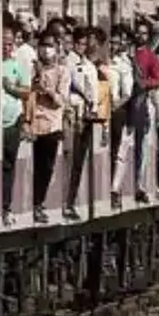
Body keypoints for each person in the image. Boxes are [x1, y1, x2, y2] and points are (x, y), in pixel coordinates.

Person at [27, 32, 70, 223]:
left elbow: (62, 100)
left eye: (50, 45)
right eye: (43, 45)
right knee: (33, 166)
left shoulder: (62, 71)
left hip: (52, 125)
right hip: (33, 122)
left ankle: (39, 203)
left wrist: (48, 90)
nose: (46, 49)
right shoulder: (32, 67)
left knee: (46, 167)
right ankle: (32, 203)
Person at [63, 26, 99, 220]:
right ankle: (67, 202)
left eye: (85, 44)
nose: (82, 47)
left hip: (87, 117)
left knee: (79, 163)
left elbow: (94, 90)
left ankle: (72, 200)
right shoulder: (68, 62)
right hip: (73, 116)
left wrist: (93, 110)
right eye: (79, 43)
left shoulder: (89, 65)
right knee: (71, 161)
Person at [0, 22, 30, 227]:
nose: (7, 47)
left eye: (10, 44)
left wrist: (11, 88)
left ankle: (6, 206)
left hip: (12, 121)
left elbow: (27, 91)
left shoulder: (17, 65)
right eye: (3, 43)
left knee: (8, 164)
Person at [131, 17, 159, 203]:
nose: (140, 36)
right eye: (138, 32)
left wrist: (145, 83)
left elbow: (157, 79)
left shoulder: (150, 55)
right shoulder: (129, 52)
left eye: (144, 33)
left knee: (142, 145)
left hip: (143, 103)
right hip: (127, 104)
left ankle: (139, 184)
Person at [108, 24, 136, 209]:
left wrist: (113, 106)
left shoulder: (124, 64)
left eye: (117, 43)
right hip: (103, 111)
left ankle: (114, 189)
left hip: (118, 112)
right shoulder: (104, 61)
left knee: (118, 153)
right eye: (111, 42)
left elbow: (127, 93)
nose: (113, 45)